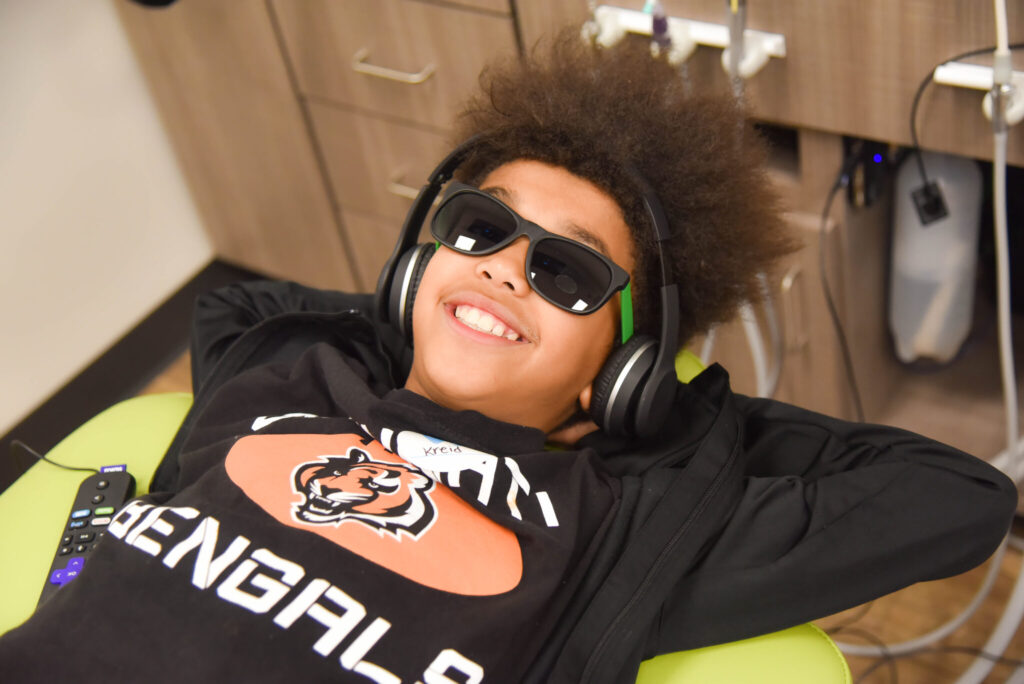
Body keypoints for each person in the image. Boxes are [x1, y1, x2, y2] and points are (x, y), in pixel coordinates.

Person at [0, 33, 1016, 684]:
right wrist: (407, 316)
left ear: (610, 367)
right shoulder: (284, 369)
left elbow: (955, 495)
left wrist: (654, 404)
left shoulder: (616, 520)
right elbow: (239, 299)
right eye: (479, 227)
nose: (501, 269)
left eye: (567, 275)